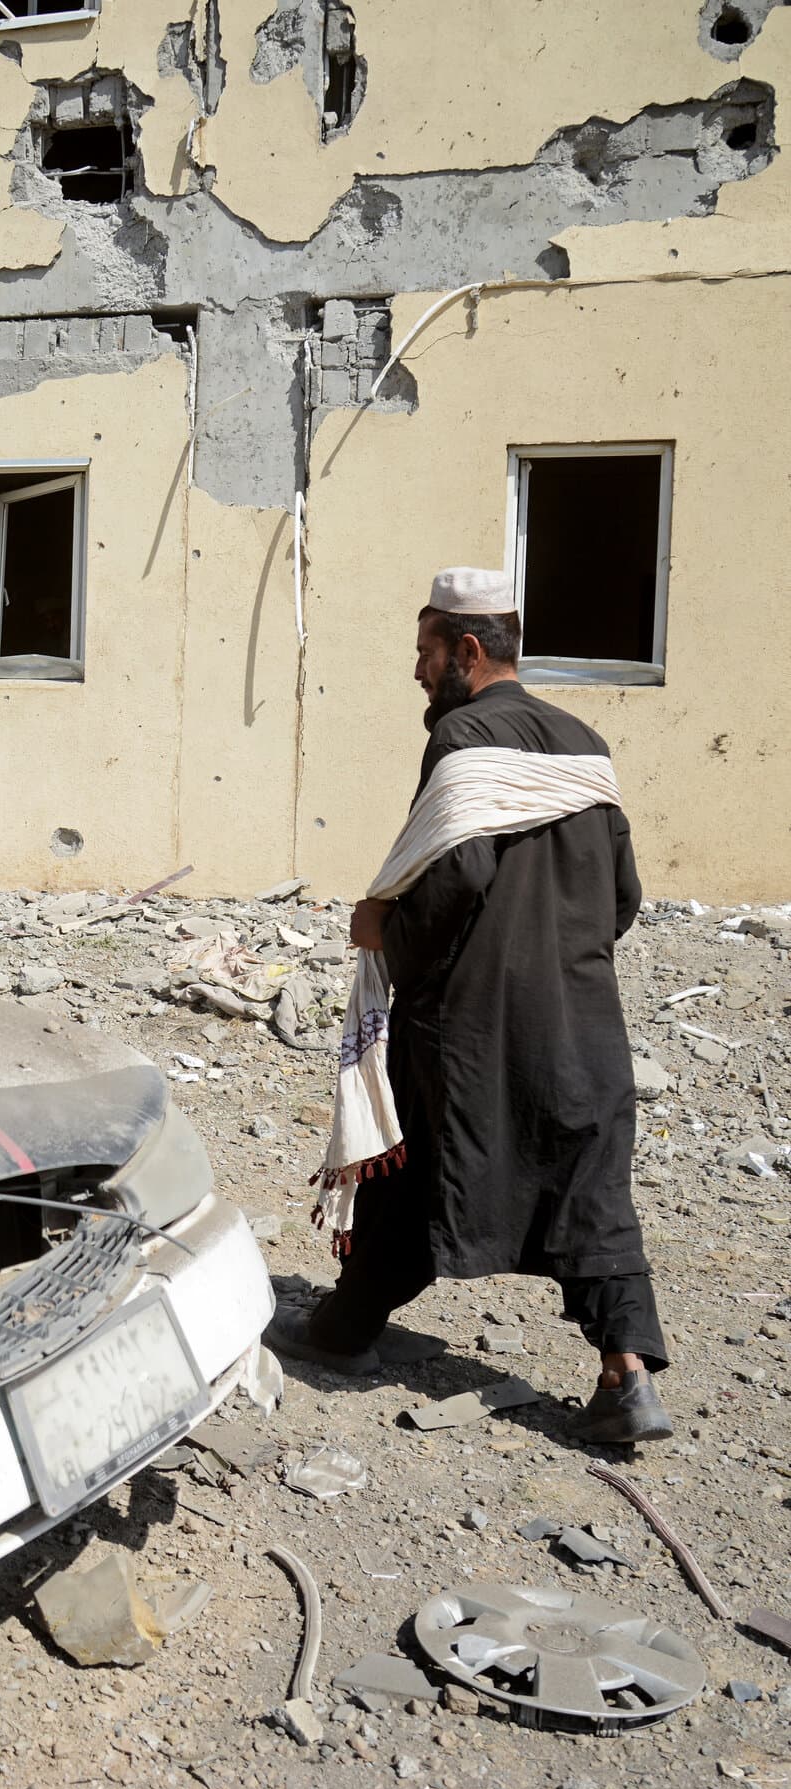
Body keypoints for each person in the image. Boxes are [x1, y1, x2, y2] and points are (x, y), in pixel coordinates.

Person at [266, 566, 672, 1445]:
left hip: (474, 1021)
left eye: (426, 651)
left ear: (469, 650)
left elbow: (455, 876)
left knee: (411, 1164)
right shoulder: (584, 743)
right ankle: (626, 1375)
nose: (417, 670)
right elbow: (623, 896)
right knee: (588, 1186)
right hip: (583, 1020)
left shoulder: (465, 737)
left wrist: (382, 930)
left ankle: (342, 1330)